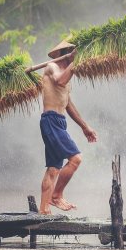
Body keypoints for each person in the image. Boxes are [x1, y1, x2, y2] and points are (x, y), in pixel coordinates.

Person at [38, 40, 98, 214]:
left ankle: (44, 210)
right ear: (66, 53)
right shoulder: (52, 67)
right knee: (76, 158)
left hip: (59, 121)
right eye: (73, 53)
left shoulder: (66, 74)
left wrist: (85, 127)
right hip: (50, 120)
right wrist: (75, 60)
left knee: (53, 169)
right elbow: (59, 82)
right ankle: (56, 196)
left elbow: (68, 104)